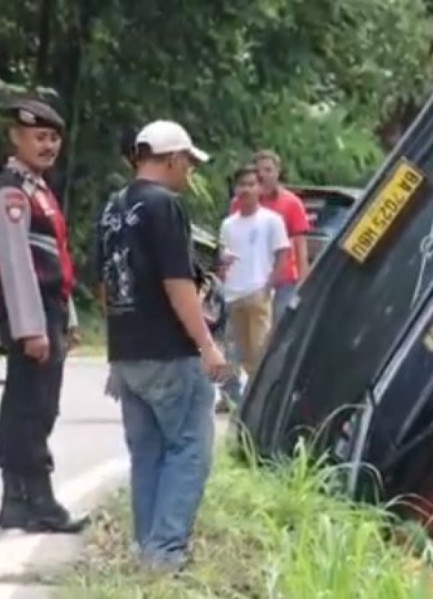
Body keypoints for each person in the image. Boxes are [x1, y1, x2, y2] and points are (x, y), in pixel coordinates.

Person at [94, 120, 229, 571]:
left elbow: (105, 286)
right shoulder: (164, 206)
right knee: (189, 448)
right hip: (169, 351)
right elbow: (177, 283)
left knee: (147, 452)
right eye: (188, 162)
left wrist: (117, 346)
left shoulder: (113, 207)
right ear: (171, 159)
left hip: (127, 351)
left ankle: (146, 549)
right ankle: (166, 554)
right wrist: (208, 346)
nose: (190, 171)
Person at [0, 98, 86, 534]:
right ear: (16, 137)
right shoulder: (11, 191)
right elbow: (15, 264)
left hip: (50, 308)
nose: (48, 146)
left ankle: (20, 501)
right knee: (30, 406)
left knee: (38, 404)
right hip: (31, 311)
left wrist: (70, 317)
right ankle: (34, 499)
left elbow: (56, 258)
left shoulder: (38, 189)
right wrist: (32, 329)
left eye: (53, 138)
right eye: (39, 137)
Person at [218, 164, 289, 388]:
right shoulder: (228, 224)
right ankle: (232, 396)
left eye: (251, 184)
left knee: (258, 350)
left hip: (258, 291)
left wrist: (269, 285)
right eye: (242, 185)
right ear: (235, 189)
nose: (246, 190)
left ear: (259, 188)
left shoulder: (271, 220)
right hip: (233, 294)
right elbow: (222, 255)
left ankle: (257, 395)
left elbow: (283, 253)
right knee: (231, 349)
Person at [231, 149, 311, 324]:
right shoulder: (241, 202)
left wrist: (304, 282)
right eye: (259, 171)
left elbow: (300, 245)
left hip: (284, 280)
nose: (263, 175)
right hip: (252, 279)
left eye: (268, 170)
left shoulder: (291, 203)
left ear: (277, 172)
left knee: (279, 328)